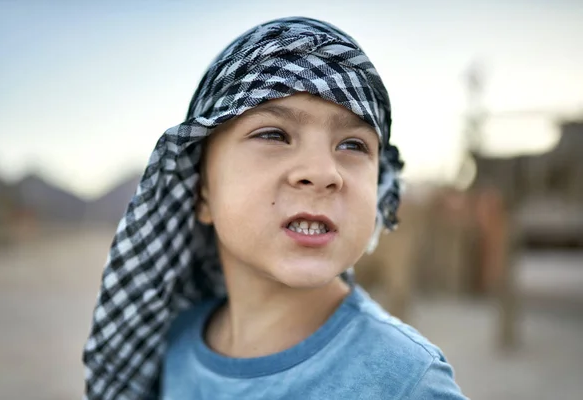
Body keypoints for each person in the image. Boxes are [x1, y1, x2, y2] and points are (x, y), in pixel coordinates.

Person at [83, 16, 468, 400]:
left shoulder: (406, 381)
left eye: (353, 145)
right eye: (273, 134)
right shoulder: (176, 346)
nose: (322, 173)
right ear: (202, 194)